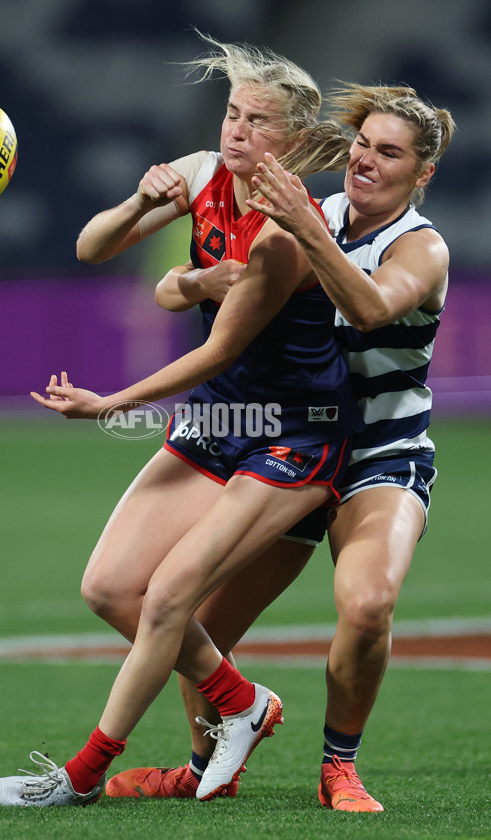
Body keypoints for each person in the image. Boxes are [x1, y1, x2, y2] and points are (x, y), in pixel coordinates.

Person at [0, 35, 363, 807]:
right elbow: (93, 247)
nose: (236, 131)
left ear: (290, 142)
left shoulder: (288, 233)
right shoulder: (200, 171)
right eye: (232, 112)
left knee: (164, 598)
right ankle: (242, 702)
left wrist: (112, 401)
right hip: (221, 415)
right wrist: (143, 202)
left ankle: (82, 775)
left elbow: (219, 346)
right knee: (108, 588)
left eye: (258, 121)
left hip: (295, 427)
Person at [106, 84, 456, 812]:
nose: (366, 159)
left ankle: (339, 767)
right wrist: (192, 277)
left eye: (390, 152)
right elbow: (205, 292)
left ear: (421, 174)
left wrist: (304, 228)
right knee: (196, 617)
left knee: (366, 605)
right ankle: (206, 765)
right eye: (363, 143)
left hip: (380, 456)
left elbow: (367, 308)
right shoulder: (307, 211)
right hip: (293, 443)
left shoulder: (420, 247)